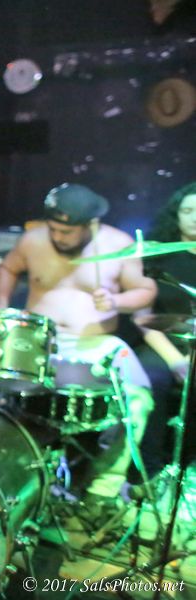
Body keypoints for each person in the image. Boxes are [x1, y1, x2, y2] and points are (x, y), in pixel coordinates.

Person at [0, 183, 157, 509]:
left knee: (139, 398)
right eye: (53, 228)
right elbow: (8, 267)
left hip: (96, 343)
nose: (58, 236)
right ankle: (8, 477)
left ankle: (104, 487)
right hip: (40, 342)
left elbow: (145, 291)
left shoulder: (118, 244)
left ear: (90, 224)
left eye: (67, 231)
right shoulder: (33, 240)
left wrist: (116, 300)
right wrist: (2, 301)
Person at [132, 183, 196, 479]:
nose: (194, 217)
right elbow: (143, 318)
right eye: (187, 210)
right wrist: (175, 360)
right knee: (151, 376)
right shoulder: (158, 258)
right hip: (162, 341)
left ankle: (188, 470)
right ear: (176, 216)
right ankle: (147, 472)